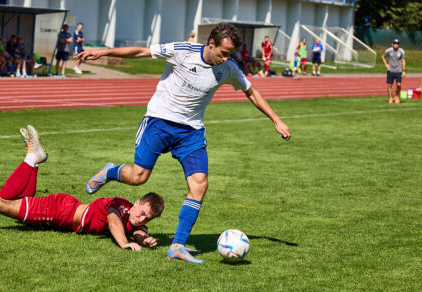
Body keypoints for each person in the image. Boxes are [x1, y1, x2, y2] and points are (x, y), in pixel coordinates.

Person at [75, 22, 291, 263]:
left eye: (230, 55)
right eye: (222, 53)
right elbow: (141, 52)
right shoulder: (183, 51)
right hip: (160, 122)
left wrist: (276, 120)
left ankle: (177, 245)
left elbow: (251, 91)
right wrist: (103, 52)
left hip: (191, 132)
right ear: (211, 44)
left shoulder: (228, 67)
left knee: (199, 184)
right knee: (138, 177)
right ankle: (110, 171)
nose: (226, 59)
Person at [0, 125, 165, 251]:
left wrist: (146, 240)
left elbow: (139, 233)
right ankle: (32, 158)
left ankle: (34, 159)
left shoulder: (134, 221)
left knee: (19, 202)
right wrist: (124, 243)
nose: (142, 219)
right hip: (59, 211)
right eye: (142, 213)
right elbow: (113, 220)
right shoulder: (122, 206)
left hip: (65, 212)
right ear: (136, 203)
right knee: (1, 203)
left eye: (147, 219)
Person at [381, 39, 406, 103]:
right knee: (389, 85)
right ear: (392, 44)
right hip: (390, 71)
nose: (396, 45)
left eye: (397, 43)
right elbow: (383, 56)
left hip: (398, 71)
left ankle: (397, 96)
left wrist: (404, 70)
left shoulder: (401, 51)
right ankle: (390, 98)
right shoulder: (389, 50)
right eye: (395, 43)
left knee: (399, 85)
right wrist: (386, 64)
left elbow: (403, 61)